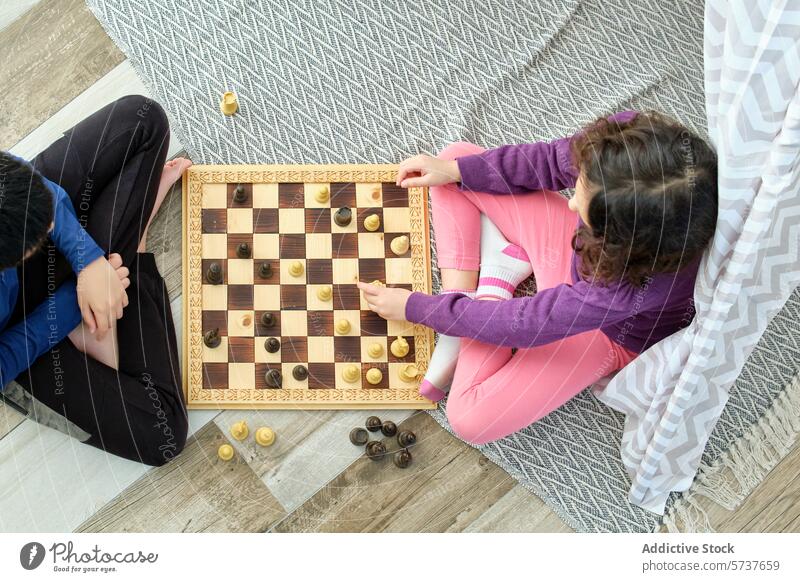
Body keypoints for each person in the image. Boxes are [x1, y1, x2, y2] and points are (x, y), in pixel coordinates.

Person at [358, 110, 718, 445]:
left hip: (604, 332)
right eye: (582, 185)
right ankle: (460, 309)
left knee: (470, 421)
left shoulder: (631, 286)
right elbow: (548, 160)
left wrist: (416, 308)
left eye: (586, 207)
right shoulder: (622, 149)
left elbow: (527, 322)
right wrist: (455, 170)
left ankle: (492, 285)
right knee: (454, 161)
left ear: (621, 239)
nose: (572, 204)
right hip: (578, 260)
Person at [0, 95, 192, 466]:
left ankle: (109, 279)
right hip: (16, 342)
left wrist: (88, 261)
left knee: (143, 120)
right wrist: (70, 305)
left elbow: (36, 186)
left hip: (14, 223)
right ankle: (128, 253)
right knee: (162, 434)